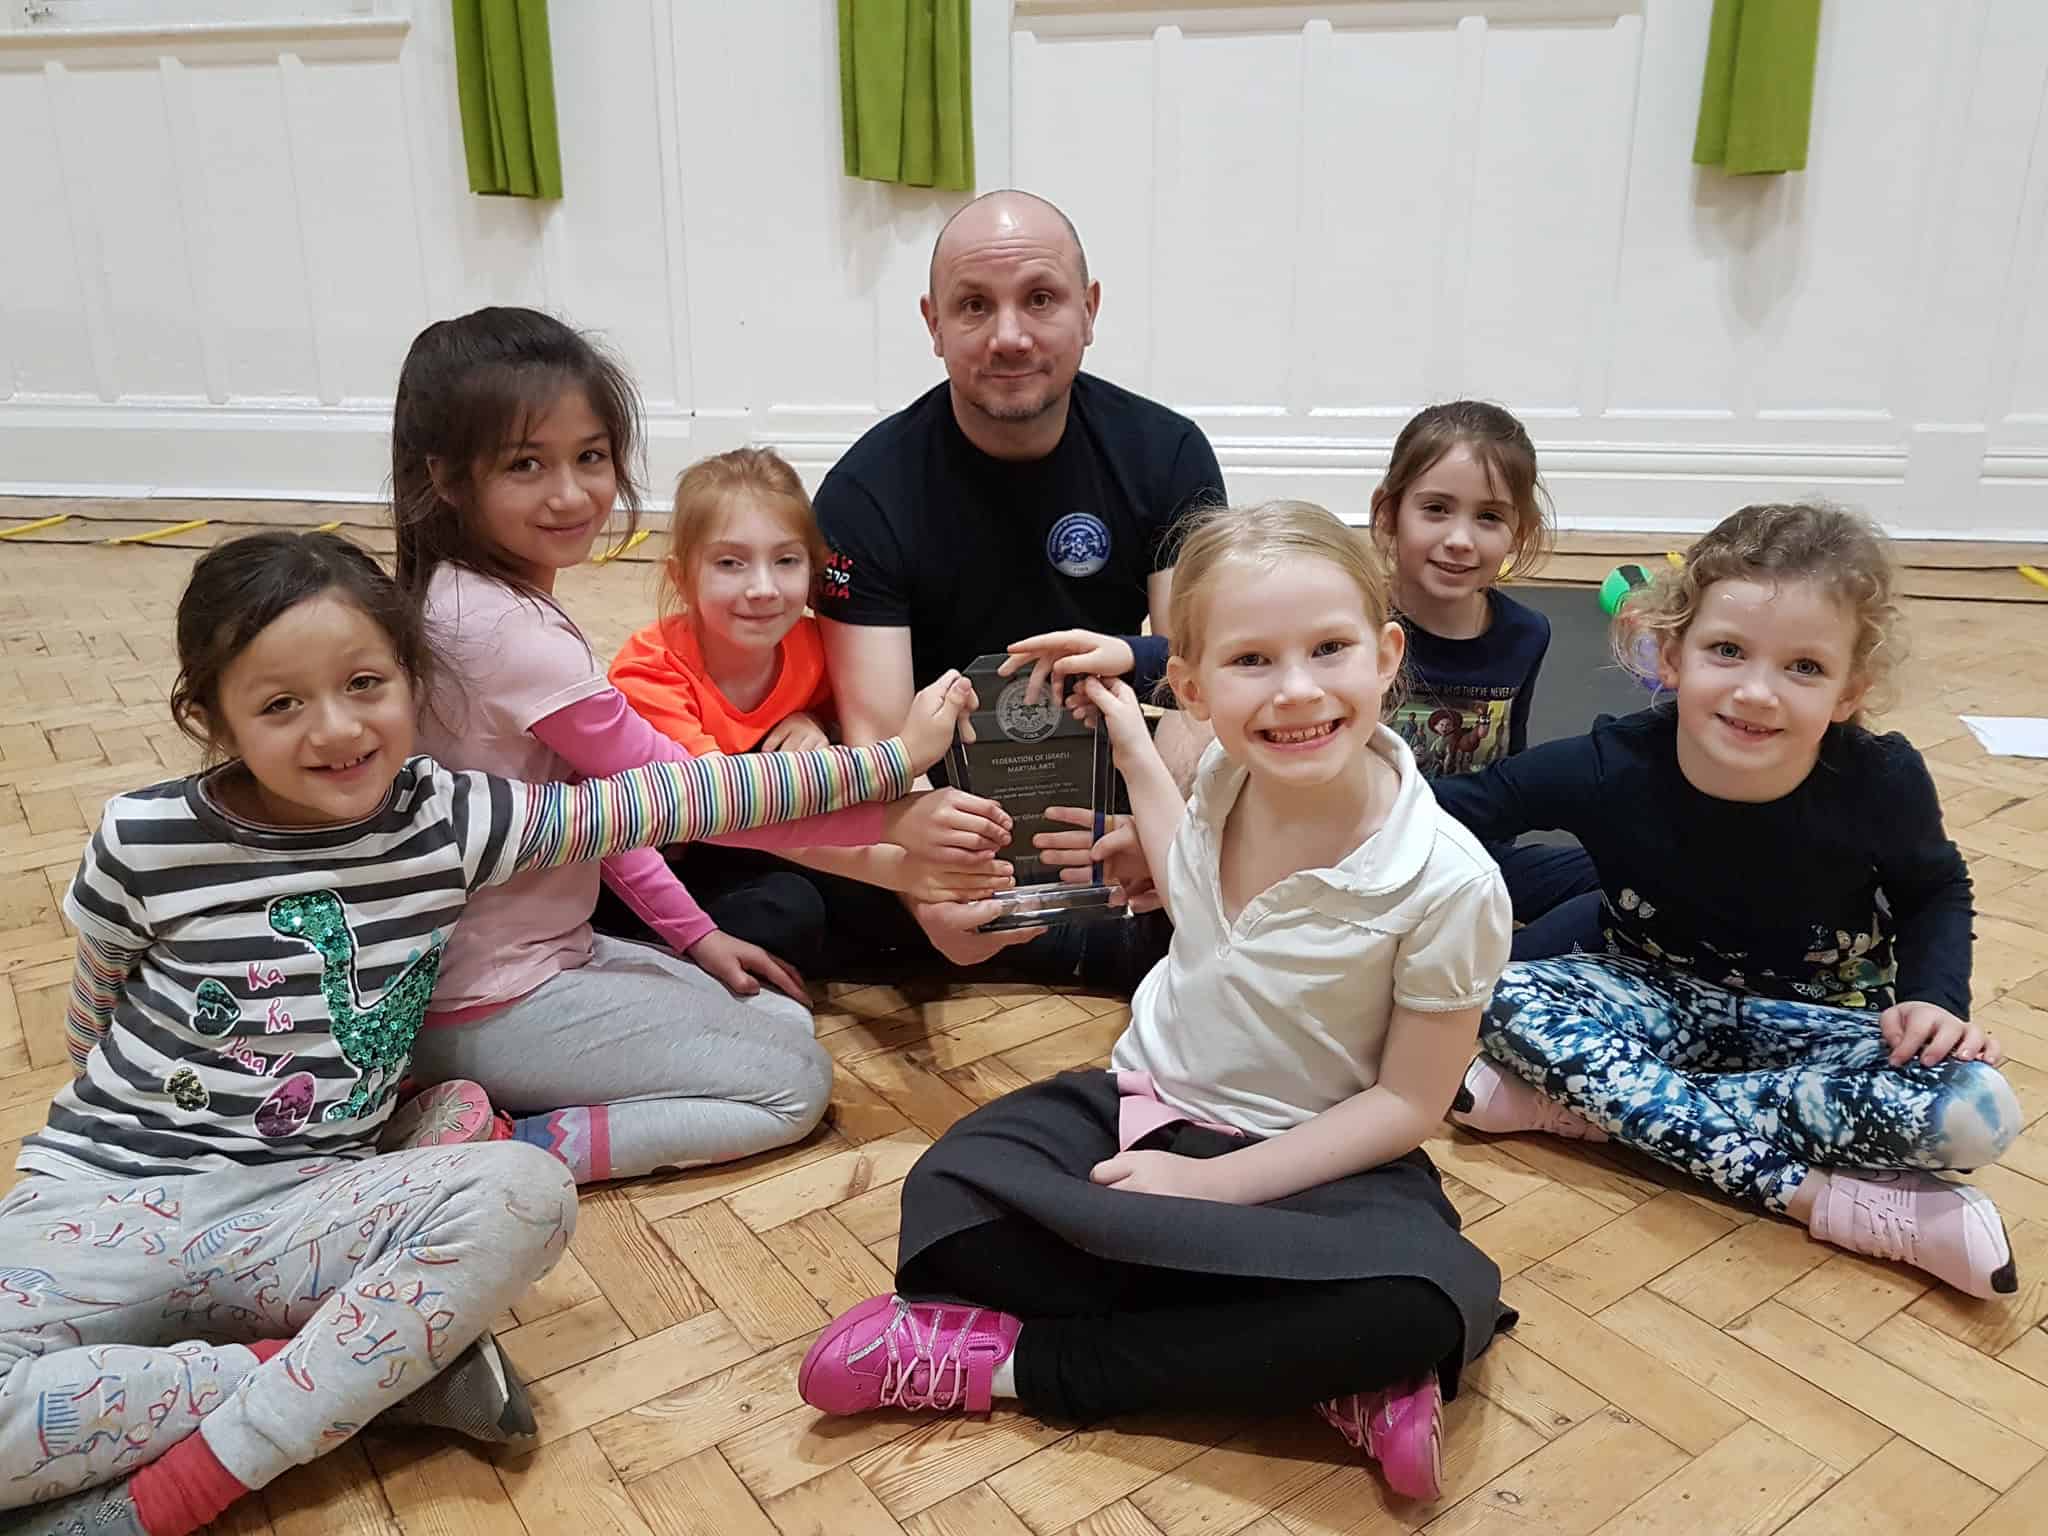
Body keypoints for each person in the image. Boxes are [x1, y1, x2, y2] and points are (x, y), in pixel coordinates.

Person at [1, 531, 968, 1536]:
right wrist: (101, 1162)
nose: (335, 730)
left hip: (305, 1204)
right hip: (110, 1190)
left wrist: (890, 766)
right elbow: (94, 1006)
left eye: (365, 683)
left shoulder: (448, 819)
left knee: (524, 1191)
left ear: (413, 683)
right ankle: (372, 1372)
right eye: (280, 704)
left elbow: (674, 794)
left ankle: (168, 1495)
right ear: (211, 714)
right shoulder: (143, 837)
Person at [798, 502, 1515, 1503]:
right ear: (1191, 685)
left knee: (1427, 1305)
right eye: (1252, 661)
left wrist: (1218, 1189)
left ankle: (1009, 1368)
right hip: (1144, 1103)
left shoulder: (1449, 882)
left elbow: (1404, 1105)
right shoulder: (1223, 769)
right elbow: (1194, 902)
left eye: (1328, 649)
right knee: (944, 1203)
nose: (1296, 690)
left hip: (1312, 1166)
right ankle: (1302, 1368)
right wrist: (1134, 747)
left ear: (1385, 655)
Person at [389, 308, 1007, 1183]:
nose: (571, 494)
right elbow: (687, 798)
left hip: (535, 959)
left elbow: (604, 819)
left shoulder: (479, 600)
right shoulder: (501, 629)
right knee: (791, 1086)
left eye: (590, 457)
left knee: (781, 1014)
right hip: (488, 996)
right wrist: (892, 781)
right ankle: (498, 1149)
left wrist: (696, 938)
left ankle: (486, 1087)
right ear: (445, 478)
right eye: (526, 464)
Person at [1437, 502, 2024, 1297]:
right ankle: (1823, 1201)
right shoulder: (1612, 764)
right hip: (1656, 999)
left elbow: (1935, 890)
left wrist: (1935, 1000)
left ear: (1850, 690)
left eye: (1804, 668)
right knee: (1490, 997)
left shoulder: (1880, 781)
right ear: (1672, 655)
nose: (1757, 692)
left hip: (1818, 1024)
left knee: (1977, 1109)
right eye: (1727, 651)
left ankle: (1592, 1103)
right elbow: (1450, 811)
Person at [813, 189, 1224, 989]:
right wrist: (926, 890)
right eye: (974, 306)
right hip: (948, 785)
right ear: (933, 325)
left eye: (1040, 298)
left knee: (1219, 739)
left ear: (1089, 309)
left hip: (1108, 760)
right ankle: (1060, 934)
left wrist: (1162, 835)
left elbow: (1198, 677)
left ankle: (1142, 894)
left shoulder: (1167, 452)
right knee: (809, 824)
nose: (1009, 336)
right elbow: (877, 734)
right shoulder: (864, 492)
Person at [605, 447, 1014, 975]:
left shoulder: (812, 645)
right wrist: (897, 859)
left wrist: (818, 720)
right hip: (665, 863)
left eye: (786, 561)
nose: (762, 589)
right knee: (788, 915)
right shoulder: (649, 671)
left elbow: (836, 731)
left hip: (766, 843)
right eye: (730, 563)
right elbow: (719, 808)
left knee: (842, 910)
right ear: (682, 577)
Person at [1369, 401, 1600, 958]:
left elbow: (1506, 766)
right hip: (1360, 856)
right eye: (1436, 509)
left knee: (1628, 874)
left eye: (1489, 517)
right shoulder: (1352, 621)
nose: (1461, 539)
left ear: (1521, 531)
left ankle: (1494, 980)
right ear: (1389, 513)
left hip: (1469, 860)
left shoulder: (1526, 634)